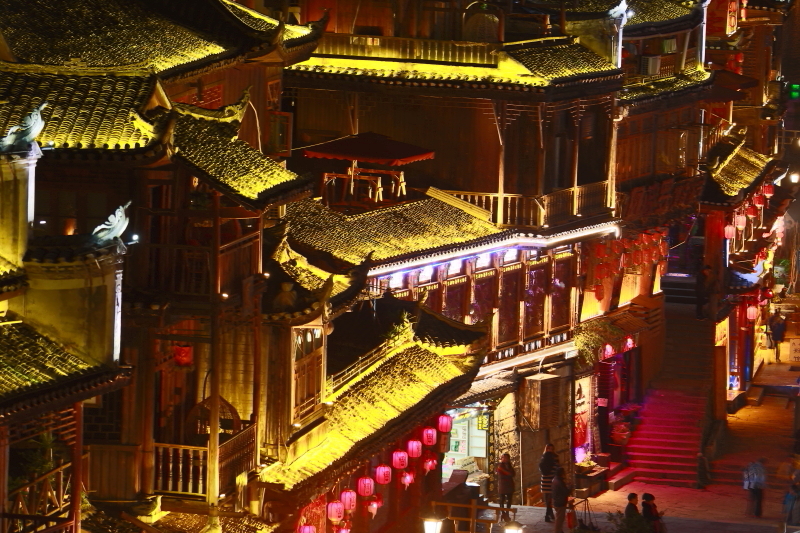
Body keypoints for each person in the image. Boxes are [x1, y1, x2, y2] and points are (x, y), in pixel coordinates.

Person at [539, 443, 560, 522]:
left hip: (548, 480)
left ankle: (548, 514)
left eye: (551, 449)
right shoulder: (550, 457)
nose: (550, 450)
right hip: (548, 480)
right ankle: (548, 514)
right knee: (548, 498)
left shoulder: (544, 457)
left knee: (549, 498)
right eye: (549, 448)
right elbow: (557, 468)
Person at [551, 467, 572, 533]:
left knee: (560, 518)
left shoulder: (555, 479)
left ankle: (560, 531)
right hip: (560, 502)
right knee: (559, 520)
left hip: (556, 501)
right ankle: (557, 531)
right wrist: (570, 487)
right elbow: (565, 492)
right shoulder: (560, 482)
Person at [496, 453, 515, 520]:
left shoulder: (509, 466)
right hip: (503, 485)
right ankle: (503, 513)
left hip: (509, 485)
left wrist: (509, 474)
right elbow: (506, 474)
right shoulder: (500, 466)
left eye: (506, 458)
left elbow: (513, 473)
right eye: (503, 457)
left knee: (509, 500)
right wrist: (508, 474)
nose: (505, 459)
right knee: (502, 499)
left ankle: (507, 513)